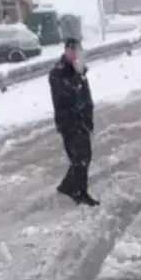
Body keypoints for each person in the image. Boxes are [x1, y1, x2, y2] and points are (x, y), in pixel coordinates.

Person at [48, 38, 100, 207]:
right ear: (66, 51)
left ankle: (75, 189)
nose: (75, 54)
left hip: (82, 121)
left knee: (85, 157)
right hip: (68, 122)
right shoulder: (58, 72)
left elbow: (86, 96)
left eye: (78, 51)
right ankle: (73, 189)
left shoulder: (79, 70)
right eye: (72, 51)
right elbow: (68, 93)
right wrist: (78, 75)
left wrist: (89, 118)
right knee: (79, 159)